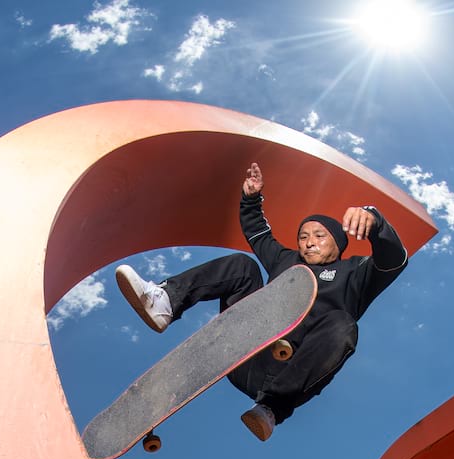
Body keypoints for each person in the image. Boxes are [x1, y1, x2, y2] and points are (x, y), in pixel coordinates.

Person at [115, 162, 408, 442]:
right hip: (248, 354)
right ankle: (165, 301)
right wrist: (251, 198)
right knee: (244, 266)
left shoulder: (355, 272)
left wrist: (376, 221)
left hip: (288, 375)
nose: (308, 242)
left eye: (319, 236)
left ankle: (271, 409)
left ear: (338, 243)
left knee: (343, 324)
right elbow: (258, 232)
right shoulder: (287, 260)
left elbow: (393, 261)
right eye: (303, 236)